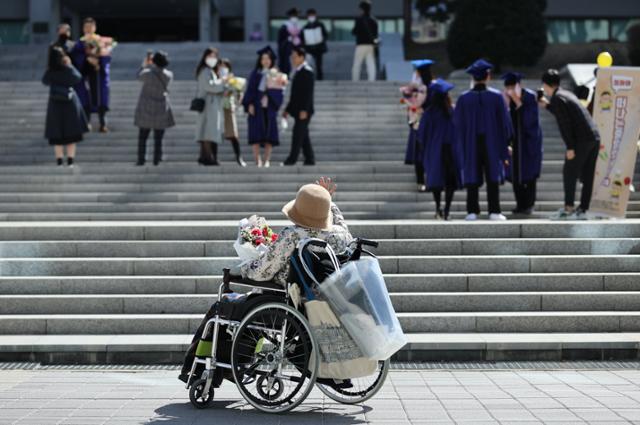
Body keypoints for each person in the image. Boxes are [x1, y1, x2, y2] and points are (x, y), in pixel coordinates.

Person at [178, 176, 351, 384]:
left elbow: (262, 272)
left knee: (222, 306)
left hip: (284, 303)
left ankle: (199, 370)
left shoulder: (293, 235)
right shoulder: (340, 236)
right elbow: (342, 227)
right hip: (315, 301)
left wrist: (244, 267)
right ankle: (232, 366)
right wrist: (327, 201)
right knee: (246, 306)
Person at [454, 59, 513, 221]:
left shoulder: (463, 98)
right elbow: (505, 122)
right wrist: (507, 142)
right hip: (492, 142)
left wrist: (461, 145)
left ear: (472, 78)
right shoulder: (496, 97)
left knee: (472, 174)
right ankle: (494, 211)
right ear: (488, 76)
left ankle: (472, 211)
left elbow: (457, 125)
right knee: (492, 175)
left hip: (470, 143)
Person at [539, 69, 600, 220]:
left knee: (570, 172)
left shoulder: (558, 98)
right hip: (594, 137)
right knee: (588, 175)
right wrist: (546, 105)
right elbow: (562, 113)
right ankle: (584, 209)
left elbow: (564, 124)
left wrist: (570, 147)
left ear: (546, 85)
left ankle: (569, 208)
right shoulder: (566, 94)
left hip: (581, 140)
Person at [421, 79, 464, 220]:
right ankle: (447, 210)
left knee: (436, 182)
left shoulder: (429, 113)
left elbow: (422, 136)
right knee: (450, 183)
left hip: (435, 151)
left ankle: (438, 207)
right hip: (451, 151)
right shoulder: (452, 110)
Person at [501, 72, 543, 216]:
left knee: (529, 175)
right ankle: (520, 204)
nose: (510, 90)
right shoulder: (507, 99)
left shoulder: (529, 96)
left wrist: (519, 103)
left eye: (513, 86)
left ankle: (529, 205)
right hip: (514, 143)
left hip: (529, 143)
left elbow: (531, 121)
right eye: (508, 87)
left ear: (519, 85)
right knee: (515, 175)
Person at [42, 45, 89, 167]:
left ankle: (59, 161)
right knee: (71, 133)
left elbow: (45, 81)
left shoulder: (50, 70)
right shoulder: (67, 68)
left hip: (55, 102)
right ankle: (70, 161)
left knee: (57, 133)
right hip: (69, 102)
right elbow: (78, 78)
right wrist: (70, 65)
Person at [242, 46, 286, 168]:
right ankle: (258, 160)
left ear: (271, 60)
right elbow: (250, 90)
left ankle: (267, 160)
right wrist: (249, 104)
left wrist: (272, 89)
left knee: (269, 135)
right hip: (257, 107)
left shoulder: (276, 74)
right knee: (255, 134)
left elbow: (280, 92)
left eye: (268, 59)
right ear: (260, 60)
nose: (265, 61)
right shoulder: (255, 74)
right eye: (263, 59)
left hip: (270, 107)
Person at [70, 17, 113, 133]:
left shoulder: (102, 42)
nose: (89, 29)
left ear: (95, 27)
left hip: (99, 74)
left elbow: (107, 56)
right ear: (83, 29)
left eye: (91, 27)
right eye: (86, 27)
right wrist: (86, 60)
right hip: (85, 74)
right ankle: (86, 123)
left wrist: (99, 62)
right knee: (85, 98)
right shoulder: (79, 43)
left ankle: (103, 124)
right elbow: (74, 57)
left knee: (101, 99)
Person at [133, 51, 175, 166]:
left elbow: (138, 76)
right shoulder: (169, 75)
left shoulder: (147, 73)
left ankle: (141, 159)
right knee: (159, 137)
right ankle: (157, 158)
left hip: (146, 106)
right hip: (161, 107)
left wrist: (145, 64)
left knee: (143, 136)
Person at [404, 59, 434, 191]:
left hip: (421, 123)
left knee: (420, 154)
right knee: (424, 154)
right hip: (425, 124)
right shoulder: (431, 86)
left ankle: (422, 182)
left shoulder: (425, 88)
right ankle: (427, 181)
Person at [282, 46, 315, 166]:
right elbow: (295, 94)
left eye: (295, 57)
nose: (292, 59)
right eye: (292, 57)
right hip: (297, 110)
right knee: (303, 135)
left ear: (302, 57)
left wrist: (304, 110)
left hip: (304, 111)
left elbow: (308, 93)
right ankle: (310, 159)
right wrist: (287, 109)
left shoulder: (307, 71)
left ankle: (292, 159)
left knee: (297, 135)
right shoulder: (297, 71)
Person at [194, 47, 226, 166]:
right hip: (208, 105)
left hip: (211, 104)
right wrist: (222, 82)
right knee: (208, 132)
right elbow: (209, 86)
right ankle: (208, 157)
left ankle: (204, 156)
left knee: (208, 132)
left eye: (214, 56)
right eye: (210, 56)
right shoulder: (205, 71)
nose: (212, 59)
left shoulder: (210, 71)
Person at [219, 59, 246, 167]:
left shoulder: (233, 79)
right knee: (214, 134)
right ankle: (213, 157)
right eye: (220, 66)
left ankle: (239, 157)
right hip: (217, 107)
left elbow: (239, 92)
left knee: (233, 133)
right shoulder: (216, 78)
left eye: (225, 66)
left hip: (229, 106)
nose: (222, 68)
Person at [351, 1, 378, 81]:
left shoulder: (359, 19)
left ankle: (355, 80)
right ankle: (372, 80)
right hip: (370, 45)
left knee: (357, 64)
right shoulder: (373, 20)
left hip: (361, 45)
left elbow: (354, 31)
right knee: (371, 64)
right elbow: (376, 34)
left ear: (362, 9)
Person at [302, 8, 328, 81]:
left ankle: (320, 78)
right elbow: (302, 38)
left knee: (319, 64)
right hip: (309, 49)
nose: (311, 17)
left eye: (312, 15)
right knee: (308, 64)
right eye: (309, 15)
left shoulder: (320, 25)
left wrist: (321, 39)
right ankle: (308, 78)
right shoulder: (305, 27)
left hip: (319, 48)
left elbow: (325, 35)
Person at [277, 8, 302, 75]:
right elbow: (280, 39)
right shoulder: (285, 26)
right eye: (293, 16)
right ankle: (286, 74)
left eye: (296, 16)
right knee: (287, 62)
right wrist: (288, 39)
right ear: (290, 16)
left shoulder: (299, 26)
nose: (295, 18)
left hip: (296, 48)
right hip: (287, 48)